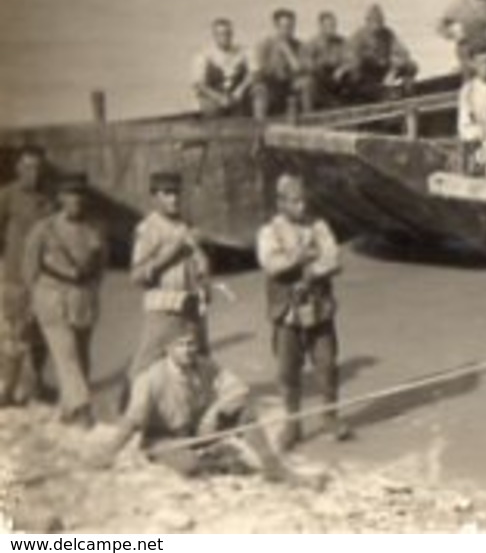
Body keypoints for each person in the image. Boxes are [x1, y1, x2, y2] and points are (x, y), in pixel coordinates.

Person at [96, 332, 285, 479]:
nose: (187, 350)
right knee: (190, 466)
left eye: (191, 344)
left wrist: (214, 412)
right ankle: (217, 462)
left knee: (245, 413)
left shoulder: (205, 366)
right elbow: (133, 420)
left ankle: (271, 465)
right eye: (180, 345)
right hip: (165, 438)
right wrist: (109, 451)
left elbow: (239, 388)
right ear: (168, 349)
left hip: (199, 429)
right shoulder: (150, 378)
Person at [256, 173, 349, 449]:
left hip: (319, 308)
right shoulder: (269, 232)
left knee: (328, 364)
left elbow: (334, 258)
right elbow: (271, 264)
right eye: (295, 202)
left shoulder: (318, 226)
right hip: (286, 311)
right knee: (288, 372)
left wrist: (310, 270)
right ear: (281, 203)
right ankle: (292, 426)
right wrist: (301, 256)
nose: (302, 207)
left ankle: (330, 418)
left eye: (304, 201)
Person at [22, 172, 104, 426]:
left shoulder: (95, 230)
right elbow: (29, 266)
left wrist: (92, 292)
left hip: (82, 300)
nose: (75, 200)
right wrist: (32, 300)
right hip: (51, 297)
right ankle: (82, 407)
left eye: (79, 194)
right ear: (60, 198)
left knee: (81, 355)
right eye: (69, 194)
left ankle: (69, 410)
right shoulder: (44, 229)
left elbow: (101, 266)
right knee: (65, 354)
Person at [128, 171, 212, 385]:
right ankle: (129, 409)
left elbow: (199, 264)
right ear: (155, 196)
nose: (173, 198)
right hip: (165, 307)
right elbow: (137, 275)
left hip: (192, 304)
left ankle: (206, 408)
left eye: (176, 193)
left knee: (201, 358)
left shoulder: (187, 225)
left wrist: (204, 275)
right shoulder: (148, 228)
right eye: (167, 193)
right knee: (146, 362)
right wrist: (172, 251)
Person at [0, 146, 49, 407]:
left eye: (38, 167)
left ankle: (36, 384)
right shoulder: (7, 196)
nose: (34, 172)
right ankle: (8, 389)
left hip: (43, 282)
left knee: (40, 336)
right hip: (15, 279)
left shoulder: (48, 201)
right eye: (28, 166)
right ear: (18, 168)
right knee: (14, 337)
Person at [343, 4, 418, 103]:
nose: (377, 24)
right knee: (356, 78)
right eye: (374, 21)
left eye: (379, 20)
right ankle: (370, 96)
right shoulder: (358, 36)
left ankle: (408, 94)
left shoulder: (387, 34)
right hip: (366, 75)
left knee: (411, 65)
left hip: (384, 71)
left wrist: (393, 70)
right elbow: (350, 59)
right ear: (367, 21)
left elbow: (403, 52)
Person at [252, 8, 315, 119]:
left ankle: (308, 120)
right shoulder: (265, 44)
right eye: (284, 27)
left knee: (307, 83)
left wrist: (288, 52)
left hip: (291, 85)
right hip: (271, 85)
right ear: (276, 27)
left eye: (291, 27)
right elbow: (259, 70)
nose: (288, 30)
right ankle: (259, 127)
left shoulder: (299, 45)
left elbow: (302, 69)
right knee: (259, 89)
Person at [191, 18, 252, 116]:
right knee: (212, 110)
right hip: (213, 98)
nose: (225, 37)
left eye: (228, 33)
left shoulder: (242, 52)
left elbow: (252, 74)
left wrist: (239, 92)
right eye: (221, 34)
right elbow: (199, 85)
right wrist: (219, 98)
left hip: (236, 97)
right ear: (214, 36)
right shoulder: (204, 55)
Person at [303, 11, 349, 109]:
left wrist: (342, 69)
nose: (333, 28)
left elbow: (351, 59)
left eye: (334, 25)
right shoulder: (312, 43)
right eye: (329, 25)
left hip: (338, 80)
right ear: (321, 27)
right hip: (321, 80)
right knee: (308, 83)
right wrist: (320, 68)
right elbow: (308, 65)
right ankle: (310, 116)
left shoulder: (341, 42)